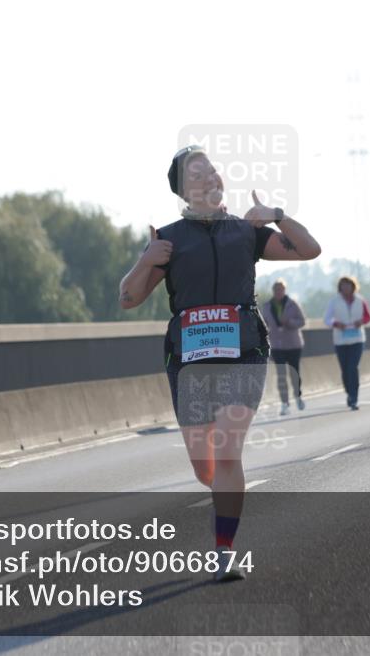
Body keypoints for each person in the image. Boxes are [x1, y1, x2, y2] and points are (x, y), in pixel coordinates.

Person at [118, 145, 320, 581]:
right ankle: (225, 496)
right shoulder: (169, 239)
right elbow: (128, 298)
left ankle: (223, 549)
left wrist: (276, 214)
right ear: (183, 189)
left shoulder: (247, 231)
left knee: (228, 450)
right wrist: (145, 260)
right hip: (189, 361)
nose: (209, 177)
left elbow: (309, 249)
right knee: (204, 465)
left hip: (244, 351)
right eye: (197, 174)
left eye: (212, 170)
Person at [324, 276, 370, 410]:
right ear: (340, 288)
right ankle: (349, 392)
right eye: (343, 286)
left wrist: (361, 322)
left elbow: (368, 316)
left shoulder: (360, 300)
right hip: (341, 340)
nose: (346, 288)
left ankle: (354, 397)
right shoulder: (334, 301)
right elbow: (327, 319)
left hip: (357, 339)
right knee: (345, 370)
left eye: (348, 285)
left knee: (353, 367)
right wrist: (336, 324)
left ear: (353, 286)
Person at [261, 279, 307, 416]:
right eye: (276, 290)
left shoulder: (293, 304)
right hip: (276, 345)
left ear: (284, 290)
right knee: (281, 375)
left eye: (281, 289)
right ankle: (284, 403)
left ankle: (298, 396)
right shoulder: (267, 306)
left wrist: (290, 322)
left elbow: (302, 321)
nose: (278, 292)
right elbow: (263, 323)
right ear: (273, 291)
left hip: (293, 344)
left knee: (294, 373)